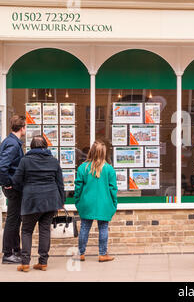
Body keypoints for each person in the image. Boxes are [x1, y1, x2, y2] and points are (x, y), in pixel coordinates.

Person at [11, 136, 65, 272]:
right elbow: (60, 183)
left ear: (31, 147)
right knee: (45, 230)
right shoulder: (53, 161)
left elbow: (16, 181)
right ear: (45, 146)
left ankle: (25, 263)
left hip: (31, 200)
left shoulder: (25, 161)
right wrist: (61, 201)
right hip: (50, 200)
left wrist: (24, 189)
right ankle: (43, 262)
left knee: (27, 230)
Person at [74, 140, 118, 262]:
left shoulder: (83, 168)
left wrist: (77, 201)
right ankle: (102, 254)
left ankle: (81, 254)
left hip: (86, 203)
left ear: (91, 152)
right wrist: (114, 203)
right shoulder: (109, 169)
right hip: (104, 203)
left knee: (84, 228)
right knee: (103, 228)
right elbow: (113, 189)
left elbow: (78, 187)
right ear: (104, 153)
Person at [0, 115, 26, 264]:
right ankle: (8, 253)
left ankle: (16, 250)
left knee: (16, 220)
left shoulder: (11, 141)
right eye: (25, 127)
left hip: (14, 186)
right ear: (22, 128)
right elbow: (3, 166)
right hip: (14, 187)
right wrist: (7, 183)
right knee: (12, 220)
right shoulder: (13, 144)